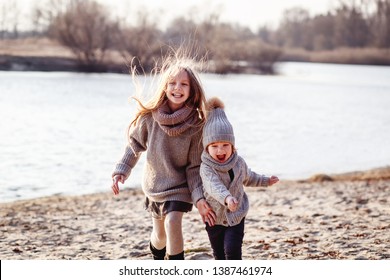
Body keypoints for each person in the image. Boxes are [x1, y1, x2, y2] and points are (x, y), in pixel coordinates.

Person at [111, 53, 216, 260]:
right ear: (165, 87)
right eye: (172, 83)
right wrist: (121, 171)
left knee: (172, 222)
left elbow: (194, 167)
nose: (177, 88)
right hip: (155, 185)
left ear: (192, 89)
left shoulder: (196, 125)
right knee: (159, 237)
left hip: (180, 187)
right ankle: (158, 259)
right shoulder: (150, 117)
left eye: (184, 84)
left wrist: (199, 197)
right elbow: (134, 145)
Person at [200, 97, 279, 260]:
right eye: (214, 146)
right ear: (207, 147)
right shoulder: (206, 167)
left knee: (232, 250)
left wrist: (266, 180)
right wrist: (227, 198)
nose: (220, 150)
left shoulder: (238, 162)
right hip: (214, 217)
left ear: (233, 145)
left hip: (236, 216)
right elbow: (213, 186)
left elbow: (249, 177)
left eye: (225, 145)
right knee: (219, 254)